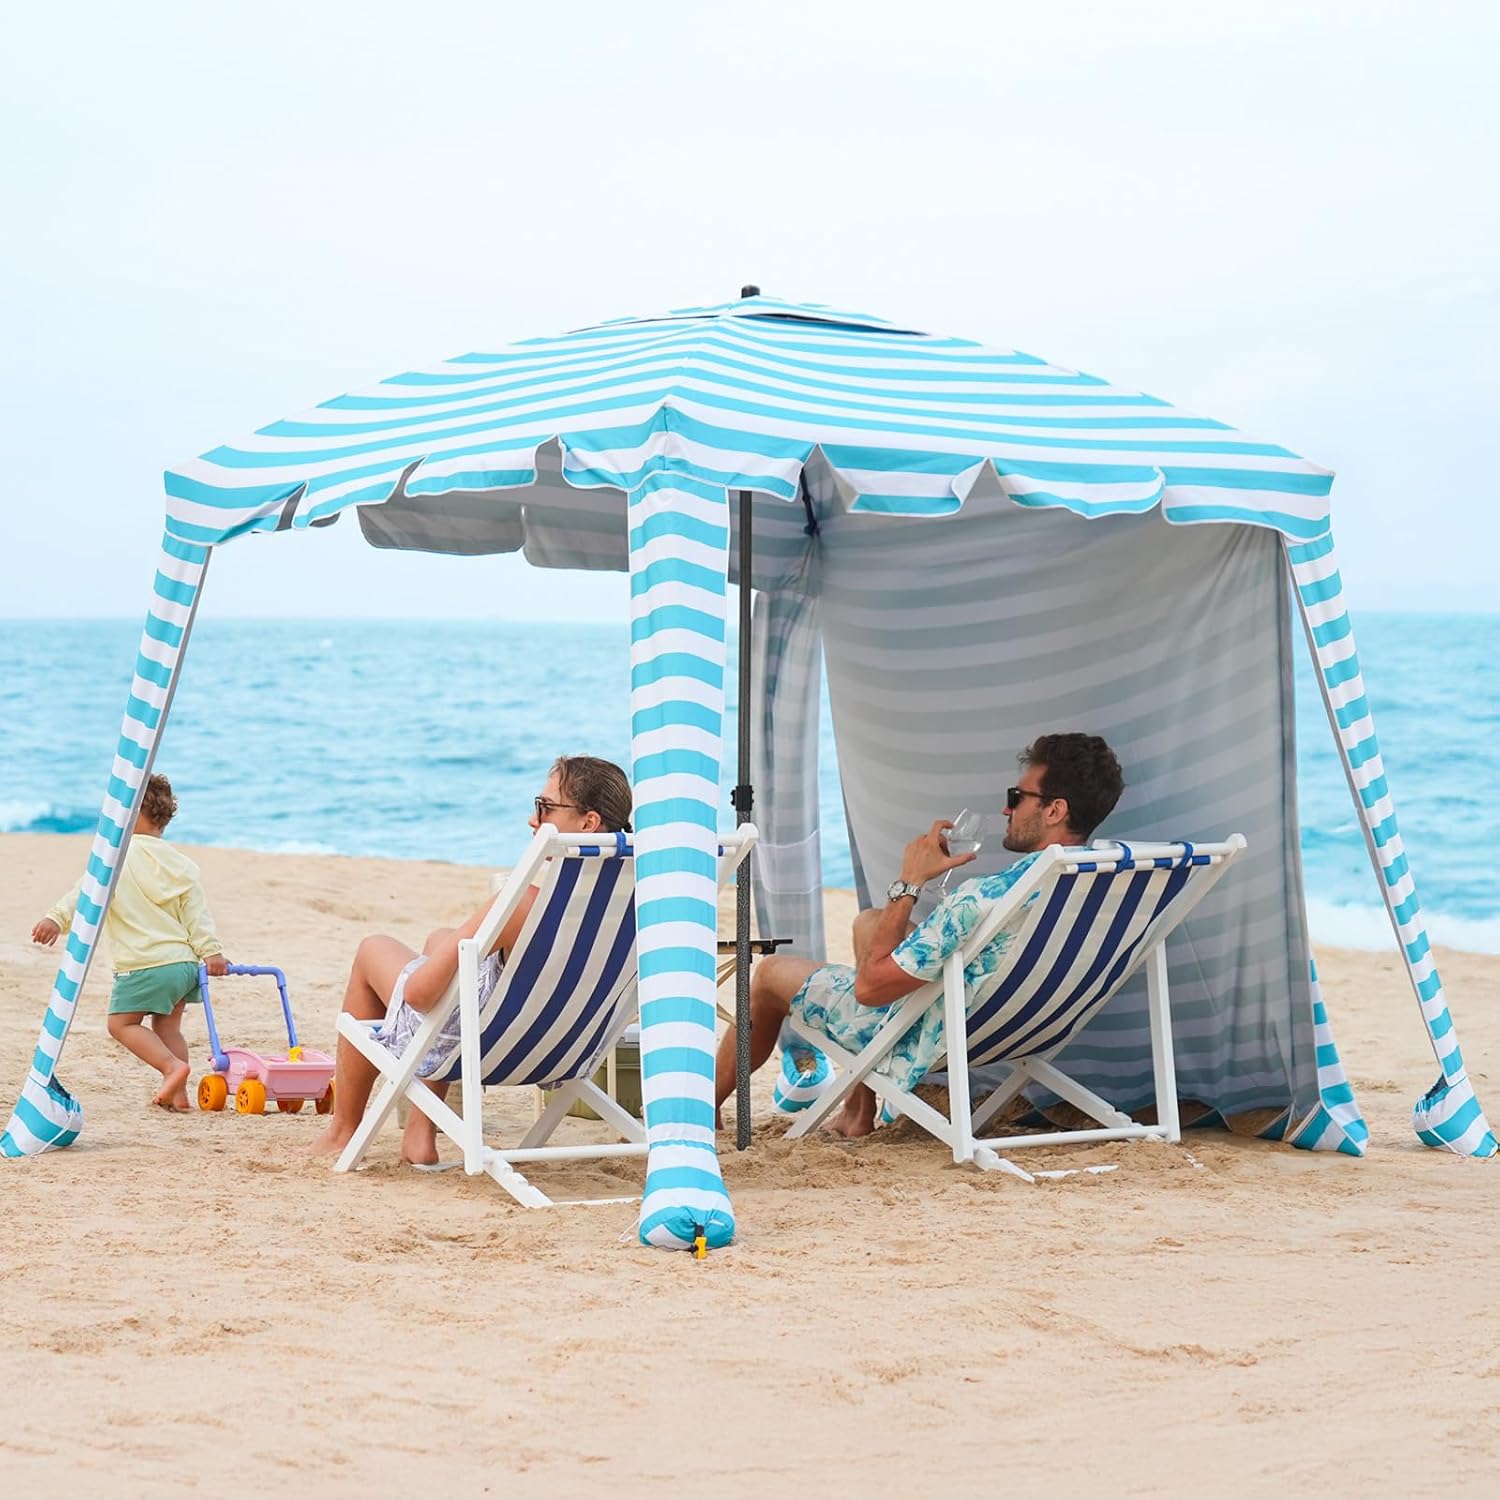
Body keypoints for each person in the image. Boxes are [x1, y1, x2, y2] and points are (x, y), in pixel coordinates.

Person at [716, 733, 1124, 1138]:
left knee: (769, 975)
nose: (1006, 808)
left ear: (1054, 810)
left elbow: (870, 989)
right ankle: (858, 1108)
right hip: (1020, 1023)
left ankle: (703, 1106)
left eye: (1016, 797)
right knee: (870, 923)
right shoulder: (1103, 882)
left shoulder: (981, 898)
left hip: (936, 1030)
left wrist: (910, 880)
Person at [311, 755, 633, 1166]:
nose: (532, 820)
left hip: (475, 1049)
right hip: (561, 1053)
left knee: (373, 948)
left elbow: (420, 997)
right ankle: (419, 1134)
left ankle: (343, 1130)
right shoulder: (635, 907)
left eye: (545, 807)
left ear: (588, 823)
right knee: (440, 940)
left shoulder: (525, 904)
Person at [32, 773, 228, 1112]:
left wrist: (56, 918)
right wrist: (211, 951)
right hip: (183, 966)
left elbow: (85, 893)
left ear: (131, 814)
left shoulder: (116, 858)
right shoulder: (182, 864)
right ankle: (179, 1095)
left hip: (143, 964)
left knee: (121, 1024)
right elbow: (197, 916)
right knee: (168, 1029)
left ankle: (172, 1068)